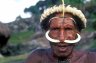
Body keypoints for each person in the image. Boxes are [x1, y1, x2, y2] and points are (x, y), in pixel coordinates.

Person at [25, 4, 96, 63]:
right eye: (55, 29)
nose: (62, 38)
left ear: (78, 33)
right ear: (47, 32)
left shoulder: (91, 59)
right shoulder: (37, 57)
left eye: (68, 29)